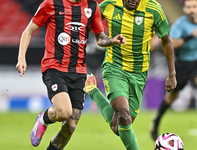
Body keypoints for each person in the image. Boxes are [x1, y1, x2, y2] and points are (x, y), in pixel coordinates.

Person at [15, 0, 126, 149]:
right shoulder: (51, 4)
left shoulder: (92, 7)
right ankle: (43, 119)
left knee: (70, 127)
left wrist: (112, 40)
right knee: (64, 112)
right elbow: (28, 31)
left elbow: (100, 38)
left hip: (79, 71)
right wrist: (21, 58)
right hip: (54, 67)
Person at [84, 0, 177, 149]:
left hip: (139, 74)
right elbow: (84, 26)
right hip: (115, 68)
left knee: (119, 127)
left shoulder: (154, 9)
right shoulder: (108, 5)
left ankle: (93, 91)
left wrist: (172, 74)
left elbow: (166, 40)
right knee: (122, 113)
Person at [151, 0, 197, 141]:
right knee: (173, 96)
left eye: (194, 7)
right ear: (184, 9)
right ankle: (156, 120)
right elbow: (173, 43)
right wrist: (190, 36)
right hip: (183, 63)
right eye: (188, 7)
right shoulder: (180, 24)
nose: (191, 10)